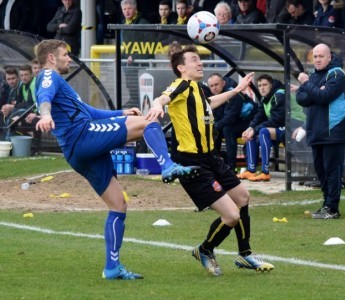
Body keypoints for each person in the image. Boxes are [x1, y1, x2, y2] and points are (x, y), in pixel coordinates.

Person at [34, 39, 198, 280]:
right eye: (65, 54)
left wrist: (121, 113)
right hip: (83, 136)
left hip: (78, 151)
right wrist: (45, 115)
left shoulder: (61, 83)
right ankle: (168, 166)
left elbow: (89, 112)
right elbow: (44, 96)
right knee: (150, 122)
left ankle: (112, 268)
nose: (69, 58)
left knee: (118, 204)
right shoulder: (49, 75)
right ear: (51, 58)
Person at [146, 45, 274, 276]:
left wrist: (237, 90)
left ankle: (245, 254)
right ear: (181, 67)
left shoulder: (197, 89)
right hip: (192, 163)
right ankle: (205, 250)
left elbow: (211, 103)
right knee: (231, 216)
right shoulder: (181, 85)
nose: (200, 63)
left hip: (212, 158)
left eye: (200, 59)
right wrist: (156, 106)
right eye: (194, 59)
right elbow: (163, 98)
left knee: (243, 197)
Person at [296, 43, 345, 219]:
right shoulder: (313, 75)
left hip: (332, 131)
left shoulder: (337, 74)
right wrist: (314, 90)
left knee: (332, 170)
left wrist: (306, 84)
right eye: (315, 56)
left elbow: (323, 96)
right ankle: (326, 203)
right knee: (321, 171)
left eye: (321, 56)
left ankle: (332, 208)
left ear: (329, 57)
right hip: (316, 131)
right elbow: (302, 98)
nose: (317, 59)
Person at [238, 74, 285, 182]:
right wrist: (250, 129)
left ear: (271, 85)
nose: (262, 88)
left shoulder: (279, 95)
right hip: (276, 128)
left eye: (265, 85)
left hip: (291, 127)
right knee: (251, 134)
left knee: (263, 131)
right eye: (259, 85)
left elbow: (276, 120)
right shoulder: (264, 98)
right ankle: (251, 170)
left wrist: (255, 130)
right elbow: (258, 117)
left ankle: (265, 172)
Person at [207, 73, 256, 171]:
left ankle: (231, 166)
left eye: (216, 84)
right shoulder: (215, 96)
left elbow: (230, 118)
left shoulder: (232, 94)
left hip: (249, 122)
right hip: (234, 122)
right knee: (213, 130)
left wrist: (215, 126)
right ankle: (214, 163)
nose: (214, 88)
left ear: (223, 83)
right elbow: (214, 116)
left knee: (227, 130)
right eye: (211, 86)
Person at [120, 0, 154, 108]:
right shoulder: (123, 24)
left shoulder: (143, 24)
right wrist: (120, 56)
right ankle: (133, 101)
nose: (127, 11)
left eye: (129, 9)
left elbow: (150, 45)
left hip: (142, 63)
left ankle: (142, 104)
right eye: (124, 9)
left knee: (142, 86)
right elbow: (125, 45)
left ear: (135, 9)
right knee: (130, 84)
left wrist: (134, 57)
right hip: (129, 63)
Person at [0, 67, 21, 140]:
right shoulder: (8, 89)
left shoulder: (21, 87)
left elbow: (26, 104)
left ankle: (6, 142)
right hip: (11, 114)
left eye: (13, 78)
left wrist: (12, 107)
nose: (11, 81)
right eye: (8, 79)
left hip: (22, 114)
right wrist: (4, 108)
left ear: (18, 77)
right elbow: (5, 103)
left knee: (10, 121)